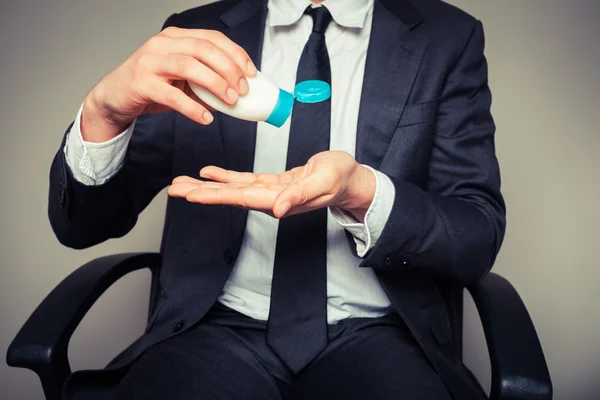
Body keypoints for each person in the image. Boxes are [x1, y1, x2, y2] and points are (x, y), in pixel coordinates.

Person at [49, 0, 506, 399]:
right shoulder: (196, 36)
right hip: (215, 331)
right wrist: (104, 115)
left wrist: (362, 193)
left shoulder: (447, 37)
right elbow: (83, 225)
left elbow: (475, 232)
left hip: (382, 334)